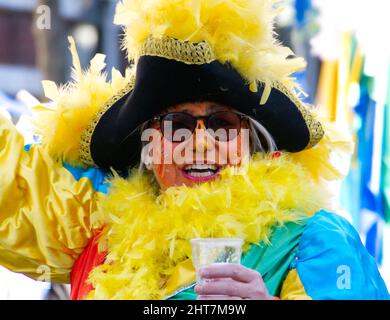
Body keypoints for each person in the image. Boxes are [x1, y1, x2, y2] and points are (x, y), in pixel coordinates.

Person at [0, 0, 388, 300]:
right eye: (177, 126)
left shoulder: (313, 243)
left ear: (253, 143)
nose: (201, 144)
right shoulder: (95, 218)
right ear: (149, 145)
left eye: (221, 125)